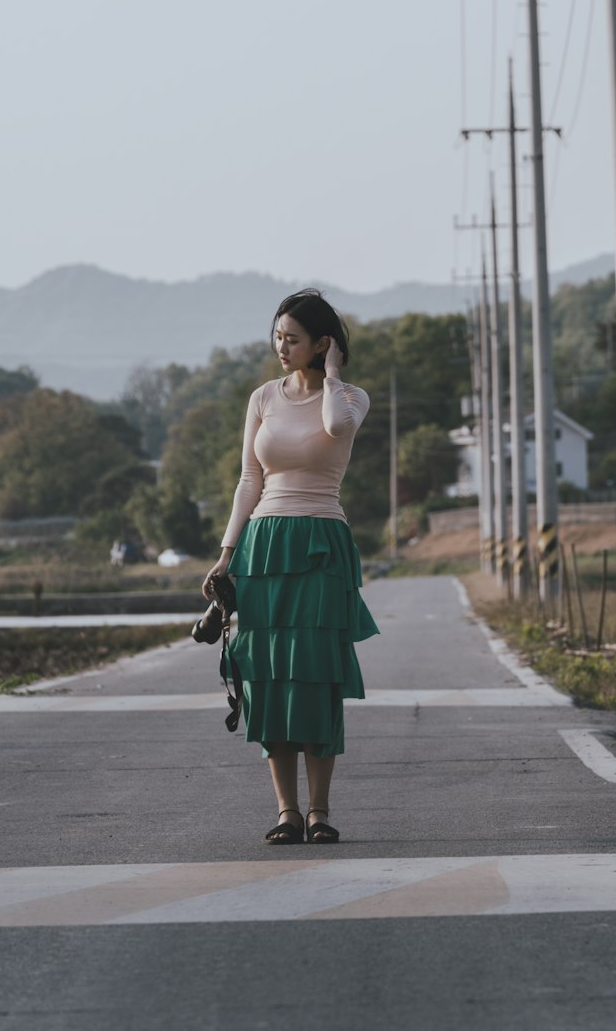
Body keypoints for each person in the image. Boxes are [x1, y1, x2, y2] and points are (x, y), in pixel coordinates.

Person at [202, 288, 378, 845]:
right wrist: (227, 554)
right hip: (264, 545)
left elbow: (335, 428)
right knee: (268, 676)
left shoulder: (350, 398)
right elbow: (249, 480)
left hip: (323, 541)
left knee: (317, 675)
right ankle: (286, 811)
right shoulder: (260, 399)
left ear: (322, 344)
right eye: (277, 336)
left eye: (293, 339)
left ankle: (320, 810)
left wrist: (330, 372)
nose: (281, 347)